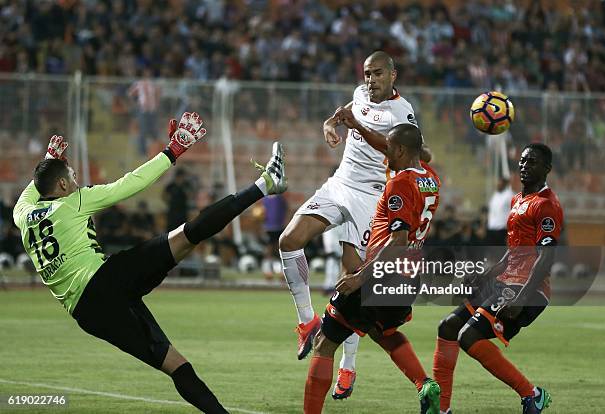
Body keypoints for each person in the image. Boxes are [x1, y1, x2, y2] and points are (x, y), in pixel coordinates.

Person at [13, 113, 287, 414]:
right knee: (186, 235)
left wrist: (49, 159)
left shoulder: (23, 216)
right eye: (73, 178)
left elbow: (28, 194)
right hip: (105, 280)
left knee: (175, 364)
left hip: (88, 314)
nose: (78, 183)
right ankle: (265, 184)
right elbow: (131, 183)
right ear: (63, 184)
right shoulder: (74, 201)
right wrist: (172, 151)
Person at [279, 50, 431, 398]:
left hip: (373, 197)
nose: (370, 79)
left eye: (377, 73)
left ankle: (347, 368)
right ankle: (306, 322)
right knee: (289, 240)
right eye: (366, 73)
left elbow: (394, 148)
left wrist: (357, 126)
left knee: (353, 282)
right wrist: (330, 125)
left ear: (393, 75)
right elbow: (341, 116)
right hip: (340, 184)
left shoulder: (401, 111)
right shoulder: (360, 95)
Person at [303, 123, 441, 414]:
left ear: (401, 150)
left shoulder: (399, 184)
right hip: (409, 278)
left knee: (324, 342)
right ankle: (424, 384)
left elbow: (398, 240)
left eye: (389, 148)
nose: (384, 154)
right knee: (384, 331)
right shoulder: (431, 178)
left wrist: (359, 279)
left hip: (380, 275)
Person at [432, 143, 562, 414]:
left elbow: (545, 257)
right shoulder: (517, 201)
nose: (526, 166)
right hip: (505, 280)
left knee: (468, 336)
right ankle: (440, 410)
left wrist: (522, 297)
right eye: (524, 161)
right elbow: (512, 252)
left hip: (527, 289)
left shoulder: (547, 205)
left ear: (547, 169)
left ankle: (532, 395)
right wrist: (485, 275)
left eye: (534, 162)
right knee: (447, 327)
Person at [487, 177, 513, 246]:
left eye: (500, 183)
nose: (498, 185)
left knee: (501, 252)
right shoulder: (495, 195)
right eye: (498, 183)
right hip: (492, 228)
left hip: (502, 229)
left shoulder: (509, 195)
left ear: (504, 184)